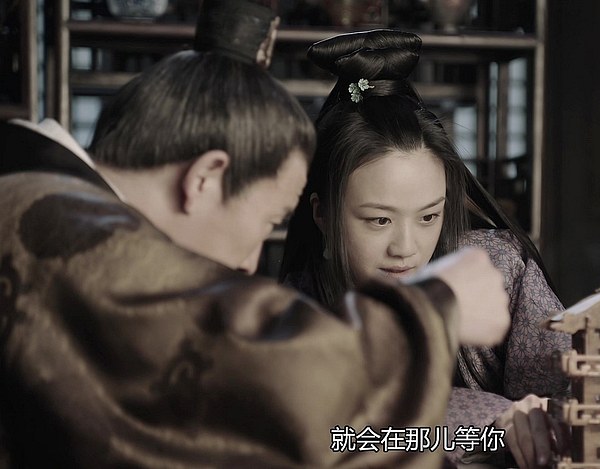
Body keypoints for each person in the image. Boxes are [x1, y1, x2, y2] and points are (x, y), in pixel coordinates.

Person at [0, 2, 511, 467]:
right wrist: (434, 312)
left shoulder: (40, 200)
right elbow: (288, 404)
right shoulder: (49, 223)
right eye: (267, 222)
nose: (248, 264)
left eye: (429, 216)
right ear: (205, 180)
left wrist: (494, 434)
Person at [279, 29, 573, 468]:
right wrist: (491, 425)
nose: (406, 248)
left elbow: (576, 387)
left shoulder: (496, 270)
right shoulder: (290, 314)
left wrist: (542, 415)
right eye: (379, 220)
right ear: (322, 214)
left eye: (429, 216)